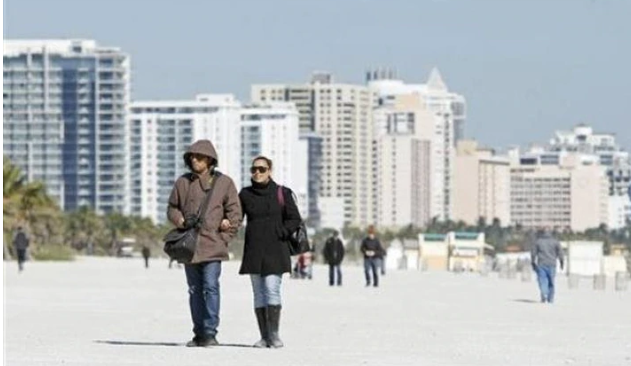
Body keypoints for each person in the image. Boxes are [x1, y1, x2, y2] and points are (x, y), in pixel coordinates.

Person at [167, 139, 242, 347]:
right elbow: (172, 207)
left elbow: (235, 213)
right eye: (191, 156)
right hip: (189, 246)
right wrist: (180, 220)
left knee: (211, 288)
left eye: (198, 157)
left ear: (209, 160)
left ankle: (210, 332)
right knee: (193, 289)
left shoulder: (224, 183)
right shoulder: (182, 182)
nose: (194, 159)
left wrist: (224, 238)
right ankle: (198, 333)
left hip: (213, 245)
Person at [237, 156, 302, 348]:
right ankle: (264, 336)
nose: (257, 172)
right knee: (258, 294)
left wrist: (280, 232)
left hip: (276, 249)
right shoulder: (245, 194)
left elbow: (294, 219)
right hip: (254, 250)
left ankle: (274, 335)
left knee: (272, 289)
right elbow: (237, 217)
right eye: (254, 169)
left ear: (270, 171)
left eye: (262, 169)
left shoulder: (282, 192)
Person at [531, 227, 564, 303]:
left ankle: (544, 293)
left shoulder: (538, 242)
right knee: (551, 282)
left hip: (541, 264)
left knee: (542, 280)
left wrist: (533, 262)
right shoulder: (555, 242)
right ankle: (550, 298)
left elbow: (533, 253)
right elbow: (560, 253)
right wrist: (562, 262)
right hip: (552, 264)